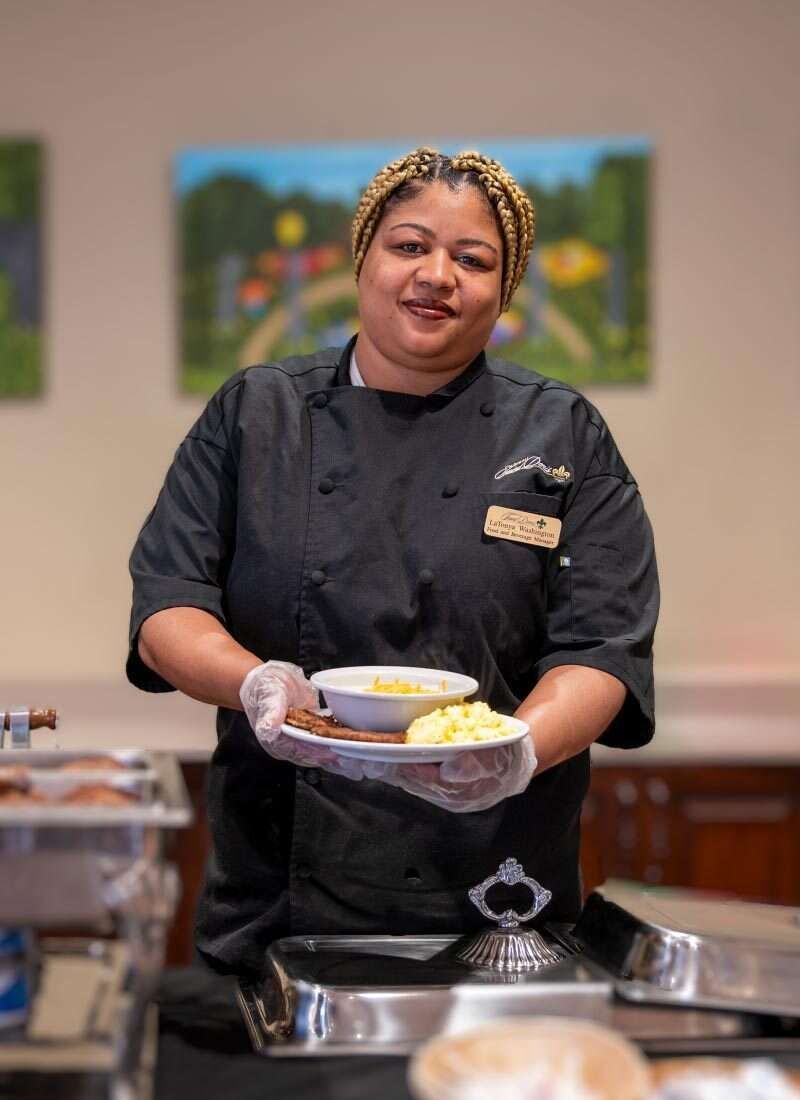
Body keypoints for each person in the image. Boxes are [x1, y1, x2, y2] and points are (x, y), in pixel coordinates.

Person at [127, 147, 659, 978]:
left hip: (495, 889)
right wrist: (255, 683)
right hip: (279, 897)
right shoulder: (257, 415)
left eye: (473, 259)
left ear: (505, 289)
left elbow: (603, 647)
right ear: (363, 260)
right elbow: (168, 605)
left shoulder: (561, 436)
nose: (436, 275)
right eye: (409, 246)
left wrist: (517, 750)